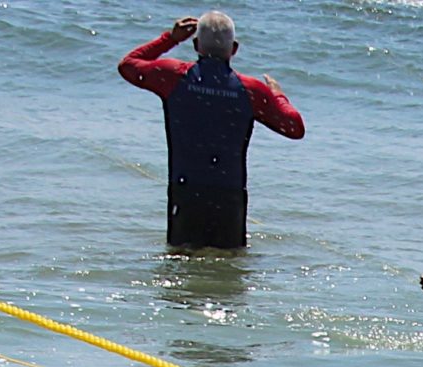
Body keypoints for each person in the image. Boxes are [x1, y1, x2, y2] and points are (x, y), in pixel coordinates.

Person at [116, 12, 304, 250]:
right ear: (234, 49)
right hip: (229, 195)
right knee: (229, 271)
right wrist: (277, 94)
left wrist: (170, 39)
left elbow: (128, 65)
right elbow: (294, 128)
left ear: (196, 45)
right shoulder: (251, 90)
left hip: (185, 190)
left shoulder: (174, 76)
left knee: (179, 264)